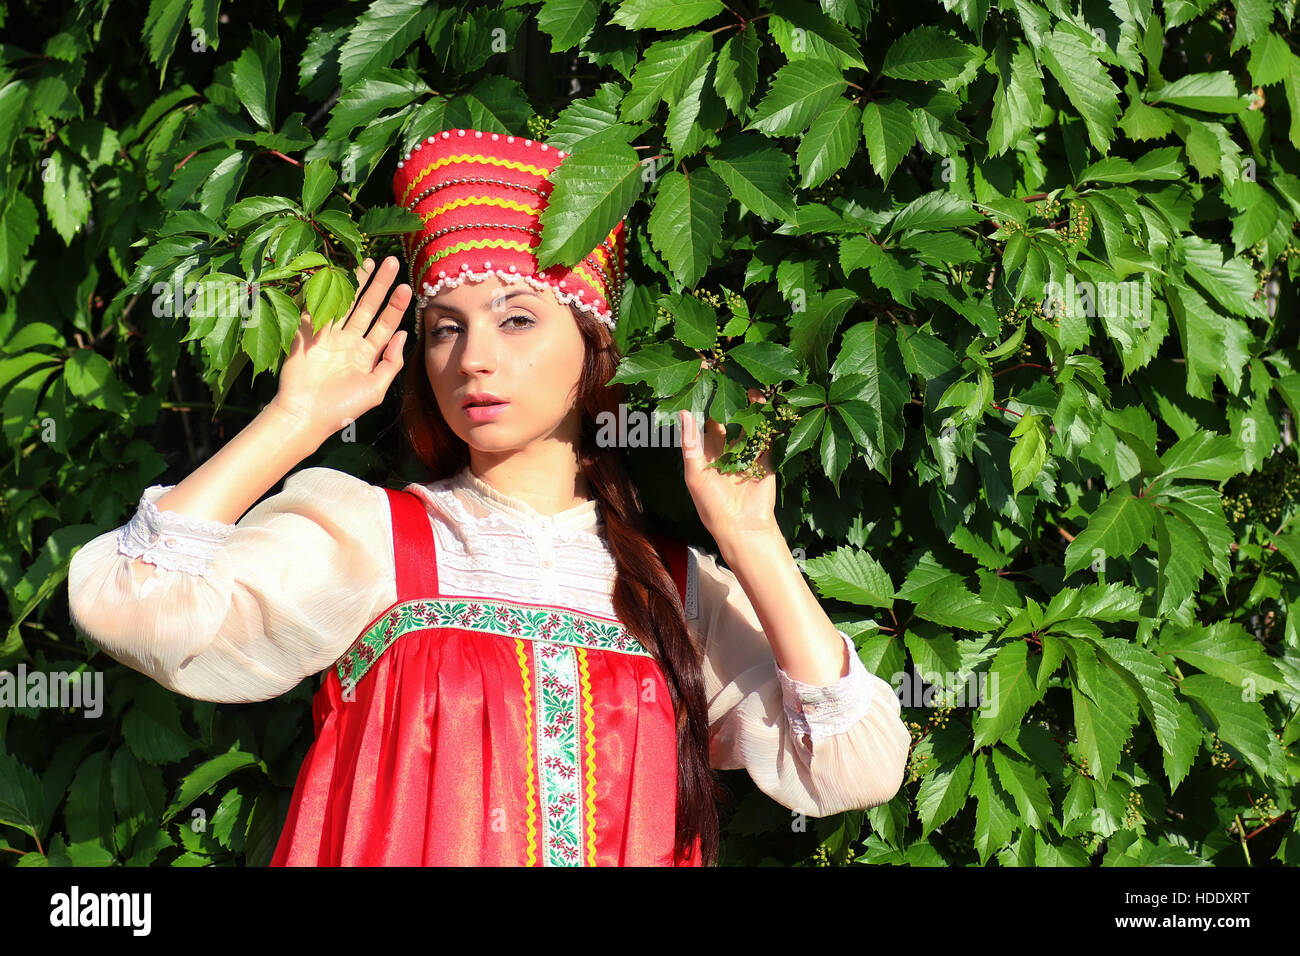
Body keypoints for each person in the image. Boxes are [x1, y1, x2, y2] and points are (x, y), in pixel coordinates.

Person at [66, 128, 912, 867]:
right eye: (445, 327)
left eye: (515, 320)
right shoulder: (376, 540)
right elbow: (132, 600)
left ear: (592, 346)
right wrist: (294, 418)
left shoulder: (671, 590)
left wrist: (750, 537)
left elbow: (849, 766)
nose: (473, 358)